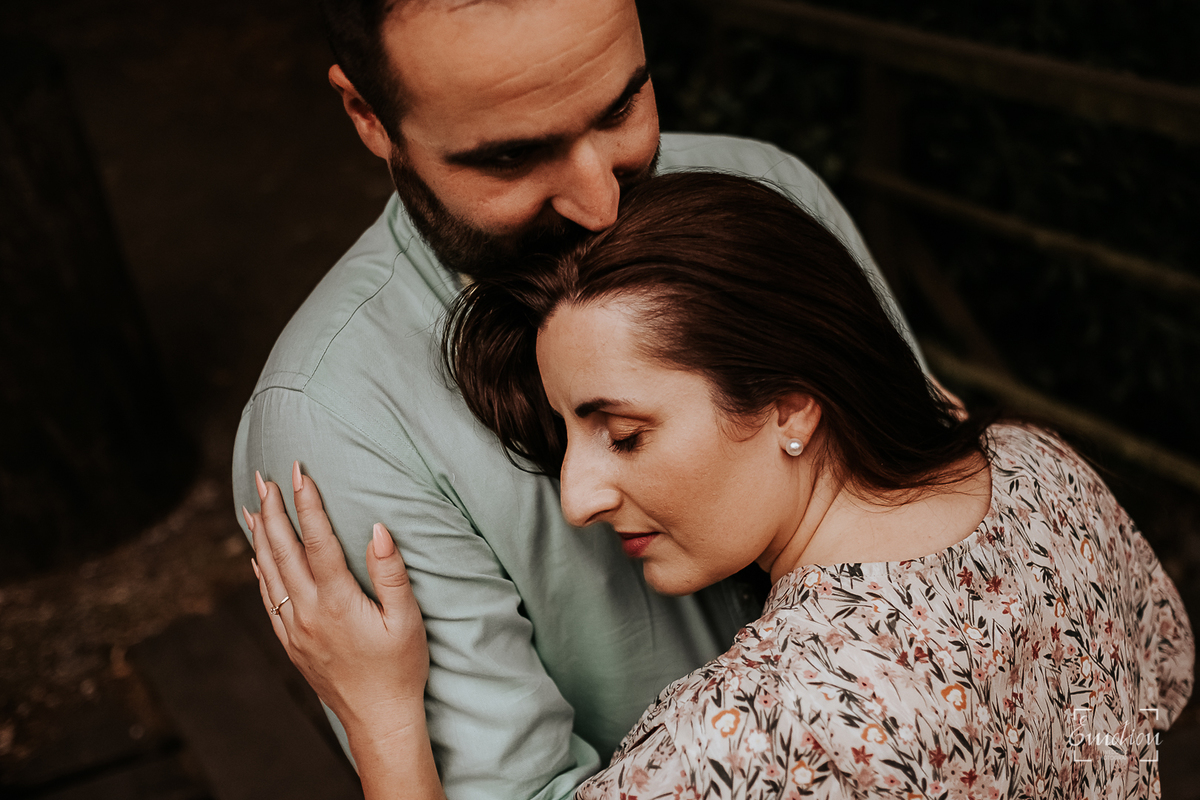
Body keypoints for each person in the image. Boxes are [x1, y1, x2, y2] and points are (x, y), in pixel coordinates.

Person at [247, 172, 1193, 799]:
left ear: (791, 405)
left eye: (623, 433)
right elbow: (1163, 674)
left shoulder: (769, 726)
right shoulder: (1043, 471)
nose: (577, 495)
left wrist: (379, 715)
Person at [232, 0, 926, 797]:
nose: (601, 205)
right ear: (369, 115)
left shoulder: (772, 189)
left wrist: (385, 724)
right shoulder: (339, 426)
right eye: (513, 157)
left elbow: (912, 464)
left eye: (621, 106)